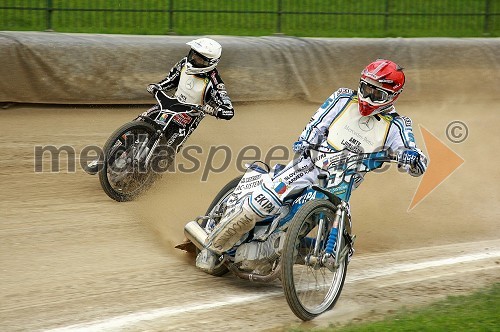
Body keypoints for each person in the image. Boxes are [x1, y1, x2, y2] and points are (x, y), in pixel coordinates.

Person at [196, 59, 427, 273]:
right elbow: (317, 123)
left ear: (392, 95)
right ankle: (211, 247)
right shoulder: (344, 98)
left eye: (377, 93)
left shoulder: (397, 125)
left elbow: (417, 160)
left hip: (342, 181)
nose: (368, 96)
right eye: (366, 88)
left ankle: (276, 251)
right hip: (311, 164)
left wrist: (412, 158)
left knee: (300, 222)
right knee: (261, 205)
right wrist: (305, 141)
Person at [86, 37, 234, 174]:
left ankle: (144, 178)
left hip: (187, 118)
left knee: (166, 151)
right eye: (193, 54)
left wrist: (216, 110)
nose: (193, 58)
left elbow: (228, 110)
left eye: (199, 58)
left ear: (210, 63)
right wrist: (158, 86)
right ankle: (104, 158)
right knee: (138, 123)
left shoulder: (215, 83)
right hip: (169, 104)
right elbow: (170, 80)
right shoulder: (184, 64)